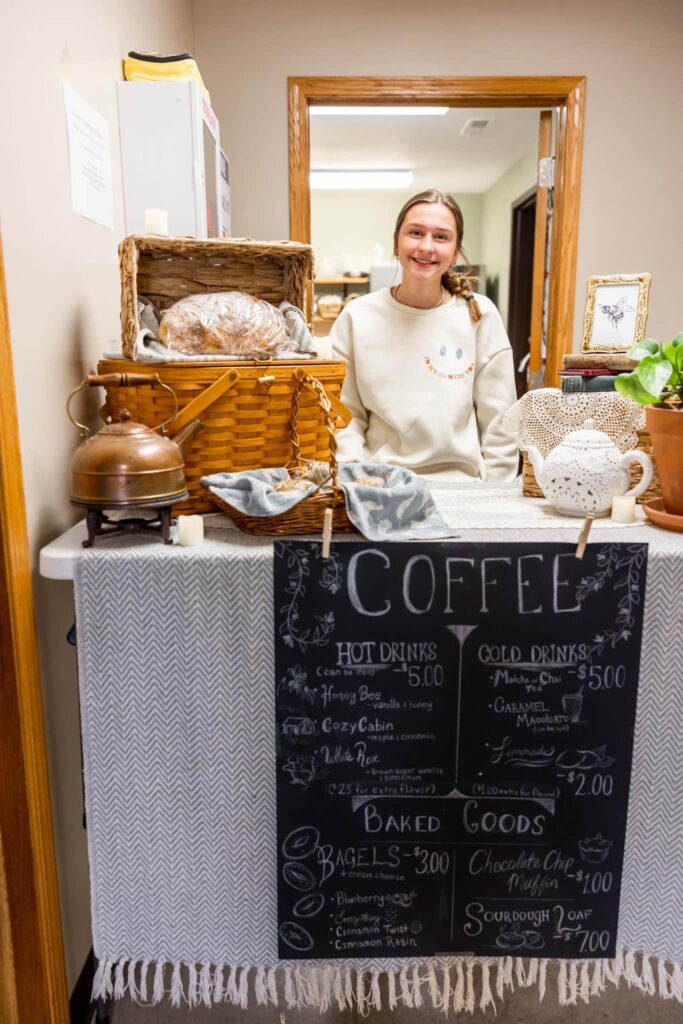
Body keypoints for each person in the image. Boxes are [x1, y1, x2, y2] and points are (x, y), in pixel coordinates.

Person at [330, 189, 519, 481]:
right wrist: (355, 483)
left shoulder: (480, 316)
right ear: (396, 243)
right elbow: (346, 417)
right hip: (381, 486)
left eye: (441, 237)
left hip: (462, 490)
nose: (427, 246)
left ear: (455, 252)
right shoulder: (356, 317)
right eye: (416, 233)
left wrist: (495, 495)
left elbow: (501, 423)